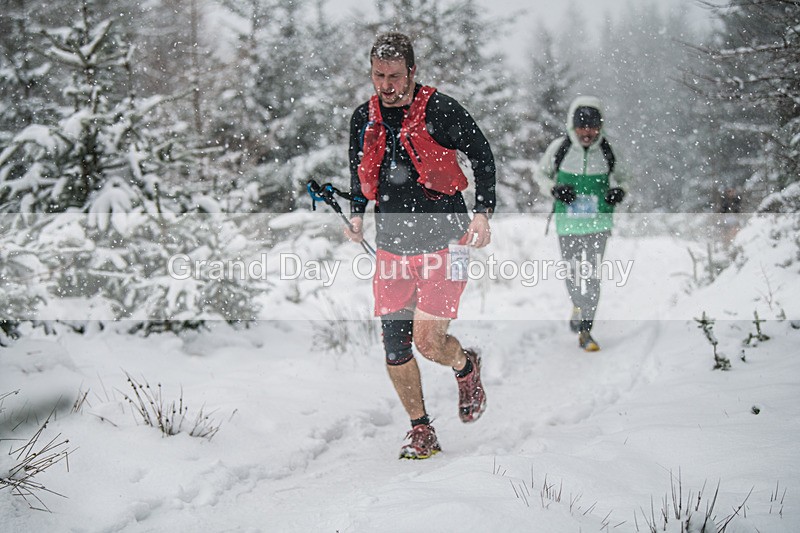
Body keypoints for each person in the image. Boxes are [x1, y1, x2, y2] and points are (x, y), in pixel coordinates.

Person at [344, 32, 496, 460]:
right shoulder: (365, 118)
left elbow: (482, 155)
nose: (386, 85)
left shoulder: (441, 110)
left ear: (412, 72)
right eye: (378, 76)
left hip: (448, 242)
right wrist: (357, 212)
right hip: (392, 247)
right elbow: (359, 172)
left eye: (395, 76)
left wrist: (483, 211)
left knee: (429, 343)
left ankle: (465, 366)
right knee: (395, 346)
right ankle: (421, 429)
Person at [535, 96, 626, 352]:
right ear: (572, 126)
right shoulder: (560, 148)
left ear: (600, 126)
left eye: (593, 127)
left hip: (599, 224)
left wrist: (618, 191)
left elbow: (625, 179)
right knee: (574, 275)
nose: (587, 132)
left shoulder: (608, 150)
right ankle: (578, 305)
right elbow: (540, 175)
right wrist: (555, 189)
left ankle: (586, 330)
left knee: (593, 277)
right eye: (582, 127)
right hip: (568, 225)